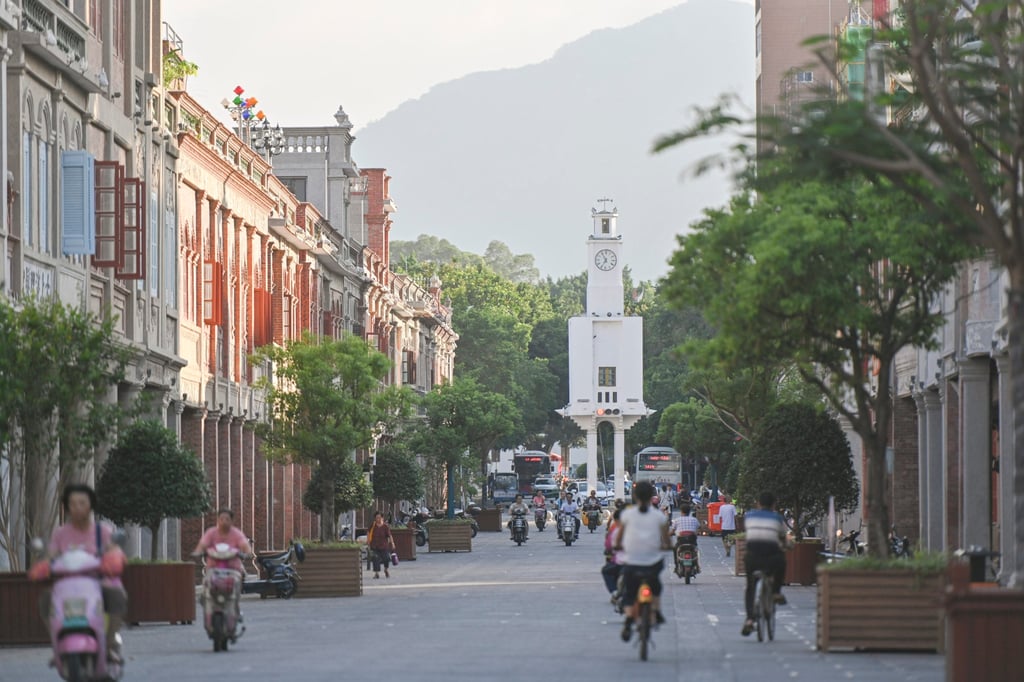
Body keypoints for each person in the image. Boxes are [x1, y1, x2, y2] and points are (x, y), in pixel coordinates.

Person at [29, 483, 129, 664]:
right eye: (72, 503)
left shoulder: (103, 531)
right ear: (66, 506)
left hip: (97, 582)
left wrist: (114, 558)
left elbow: (113, 550)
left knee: (117, 596)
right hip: (67, 584)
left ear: (90, 504)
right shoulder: (60, 534)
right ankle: (57, 643)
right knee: (45, 600)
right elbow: (51, 556)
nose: (77, 508)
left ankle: (109, 642)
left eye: (82, 503)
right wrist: (42, 565)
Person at [613, 481, 671, 642]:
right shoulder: (659, 516)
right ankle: (657, 611)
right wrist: (667, 547)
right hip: (653, 563)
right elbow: (666, 540)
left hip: (632, 562)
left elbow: (619, 538)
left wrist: (618, 546)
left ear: (635, 496)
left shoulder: (627, 515)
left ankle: (628, 620)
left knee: (629, 593)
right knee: (656, 587)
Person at [741, 491, 788, 636]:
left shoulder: (749, 516)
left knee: (750, 586)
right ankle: (775, 592)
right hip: (771, 557)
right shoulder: (777, 518)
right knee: (782, 561)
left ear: (758, 503)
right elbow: (783, 537)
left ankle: (749, 620)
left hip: (752, 557)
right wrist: (787, 544)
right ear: (774, 505)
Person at [669, 501, 701, 573]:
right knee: (696, 551)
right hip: (692, 540)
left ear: (681, 511)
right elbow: (699, 528)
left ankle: (676, 566)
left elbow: (672, 531)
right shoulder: (694, 519)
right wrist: (696, 533)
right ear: (689, 511)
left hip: (681, 541)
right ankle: (697, 565)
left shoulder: (676, 520)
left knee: (675, 549)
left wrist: (669, 534)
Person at [601, 507, 625, 598]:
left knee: (606, 571)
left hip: (620, 562)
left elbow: (608, 545)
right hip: (640, 562)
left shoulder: (616, 530)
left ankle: (614, 591)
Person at [367, 511, 396, 579]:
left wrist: (392, 543)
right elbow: (368, 533)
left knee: (386, 558)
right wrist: (368, 542)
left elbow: (389, 535)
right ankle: (376, 573)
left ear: (382, 518)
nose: (378, 519)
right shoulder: (373, 526)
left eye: (380, 518)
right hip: (374, 546)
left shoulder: (385, 526)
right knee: (375, 559)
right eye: (377, 518)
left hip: (384, 546)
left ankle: (386, 569)